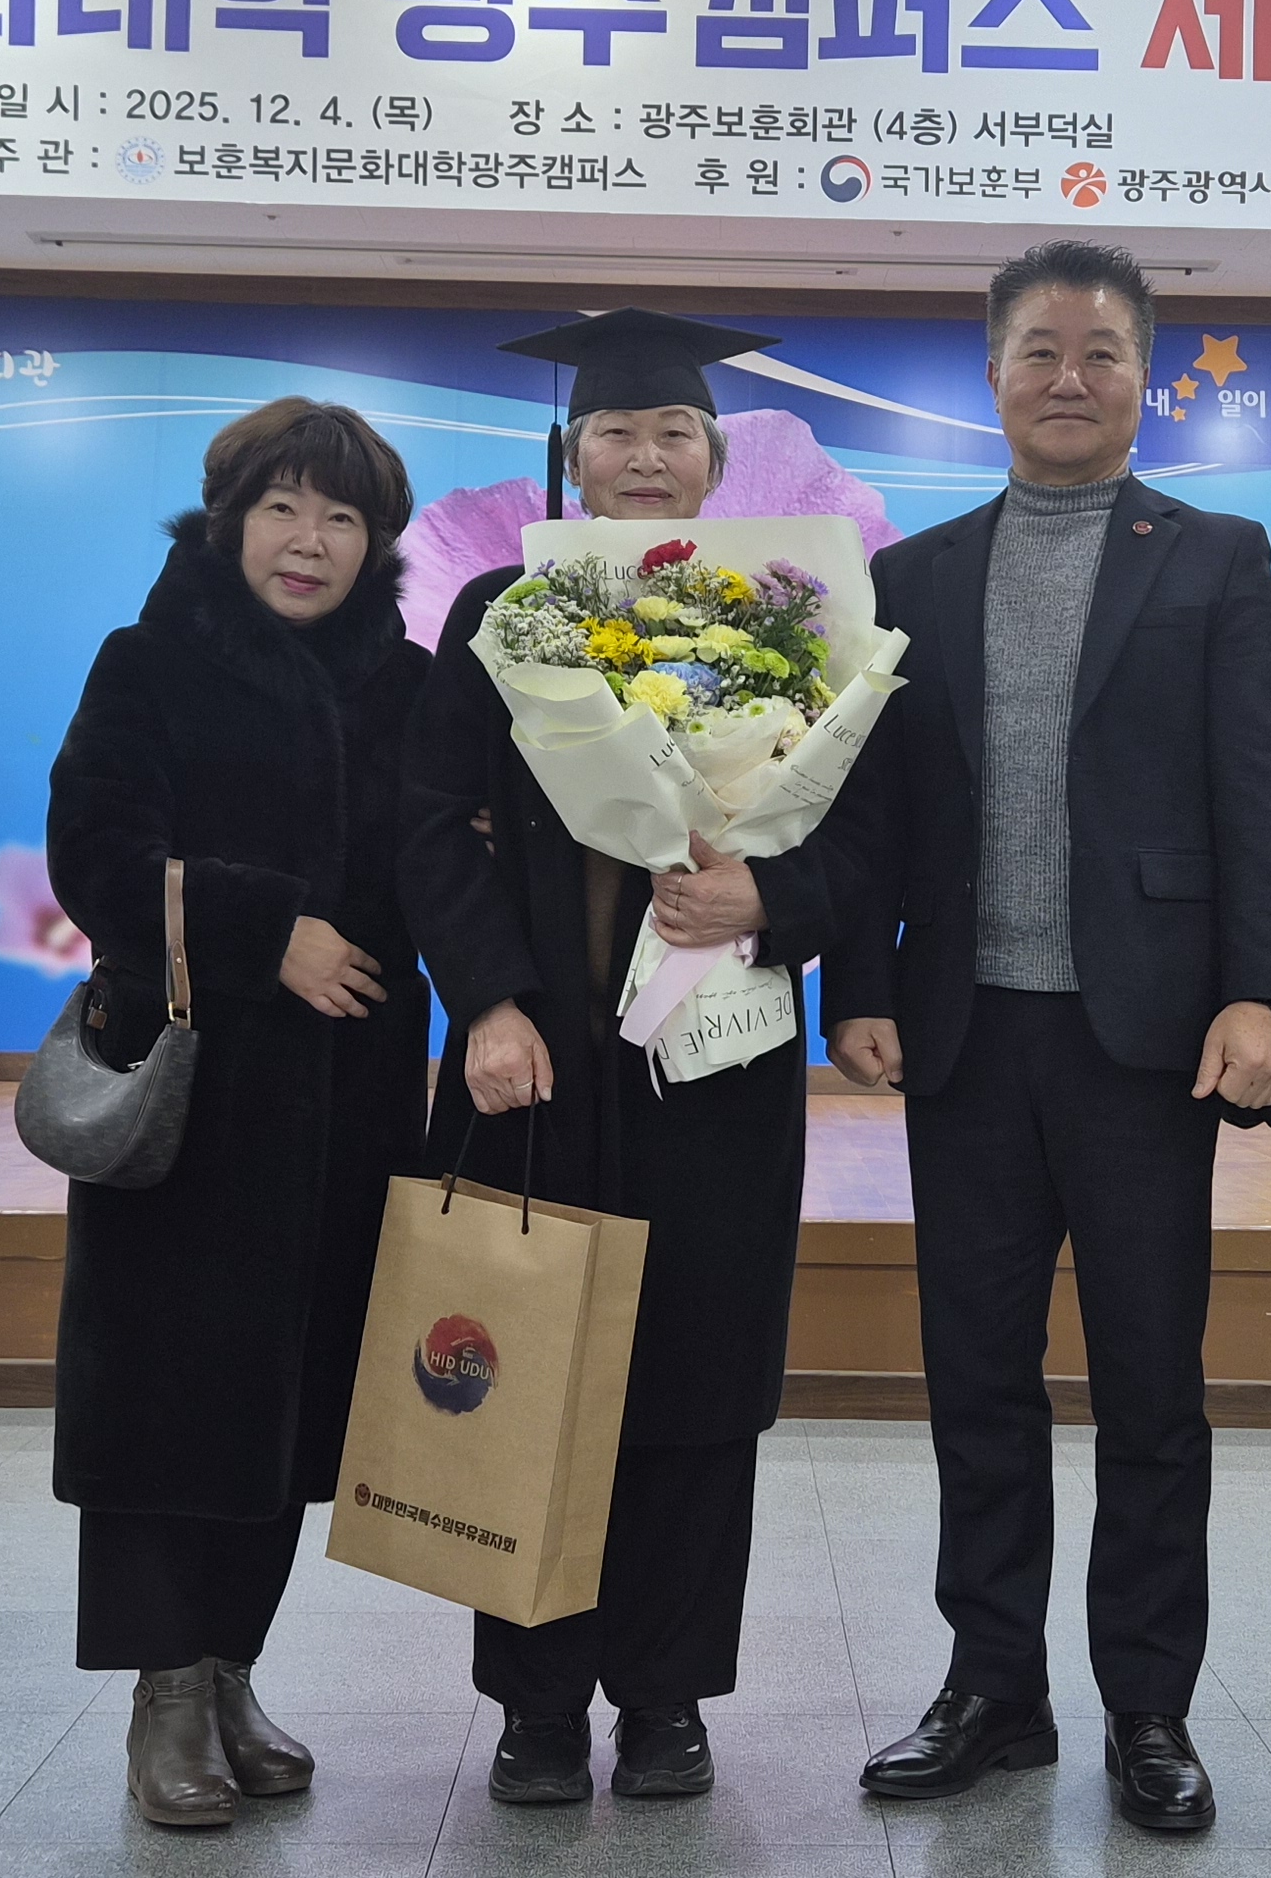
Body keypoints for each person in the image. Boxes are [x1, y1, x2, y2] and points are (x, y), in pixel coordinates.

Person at [824, 240, 1271, 1835]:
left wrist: (1262, 988)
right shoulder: (913, 575)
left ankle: (1149, 1706)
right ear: (993, 374)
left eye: (1102, 353)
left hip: (1142, 1039)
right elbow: (873, 808)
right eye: (1040, 350)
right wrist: (860, 985)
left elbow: (1260, 789)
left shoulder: (1216, 558)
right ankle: (994, 1688)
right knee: (977, 1380)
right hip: (966, 1034)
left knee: (1151, 1388)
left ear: (1143, 379)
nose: (1070, 379)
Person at [401, 309, 876, 1806]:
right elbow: (427, 822)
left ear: (715, 457)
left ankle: (666, 1695)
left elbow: (862, 831)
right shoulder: (502, 608)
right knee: (527, 1365)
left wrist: (772, 899)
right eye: (619, 431)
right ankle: (537, 1705)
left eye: (675, 432)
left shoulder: (781, 613)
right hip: (539, 1056)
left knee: (694, 1381)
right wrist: (486, 1002)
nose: (648, 456)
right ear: (574, 453)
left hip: (714, 1057)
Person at [44, 399, 430, 1830]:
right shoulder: (147, 661)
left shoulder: (408, 681)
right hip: (192, 1100)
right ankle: (163, 1692)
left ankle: (230, 1670)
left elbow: (438, 866)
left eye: (340, 516)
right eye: (281, 508)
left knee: (294, 1407)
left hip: (349, 1104)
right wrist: (271, 932)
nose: (307, 541)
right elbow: (94, 853)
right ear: (229, 520)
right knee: (170, 1405)